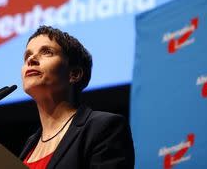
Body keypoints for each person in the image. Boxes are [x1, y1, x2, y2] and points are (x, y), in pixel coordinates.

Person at [19, 25, 134, 168]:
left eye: (47, 52)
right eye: (27, 56)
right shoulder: (30, 145)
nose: (31, 59)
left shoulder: (103, 128)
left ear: (74, 74)